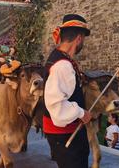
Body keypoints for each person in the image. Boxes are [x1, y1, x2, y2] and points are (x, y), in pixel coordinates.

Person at [43, 14, 92, 168]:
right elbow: (57, 107)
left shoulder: (61, 59)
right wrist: (81, 113)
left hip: (64, 134)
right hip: (65, 135)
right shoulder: (62, 66)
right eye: (83, 39)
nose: (83, 43)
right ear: (79, 38)